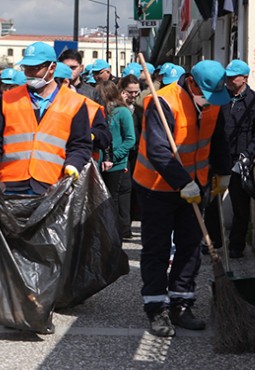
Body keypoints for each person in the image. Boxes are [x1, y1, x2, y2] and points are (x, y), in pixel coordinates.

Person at [133, 60, 231, 337]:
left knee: (190, 247)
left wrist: (223, 173)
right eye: (206, 95)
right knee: (158, 248)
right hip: (155, 187)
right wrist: (182, 182)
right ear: (192, 83)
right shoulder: (162, 103)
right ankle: (156, 308)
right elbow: (158, 150)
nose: (209, 102)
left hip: (195, 185)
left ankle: (181, 304)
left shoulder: (213, 103)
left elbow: (219, 140)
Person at [0, 41, 92, 194]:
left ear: (52, 68)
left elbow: (81, 144)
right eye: (26, 68)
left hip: (53, 184)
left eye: (35, 68)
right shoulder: (8, 99)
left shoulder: (75, 103)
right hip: (11, 184)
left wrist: (73, 164)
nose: (29, 73)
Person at [204, 59, 255, 258]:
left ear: (245, 78)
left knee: (240, 204)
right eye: (228, 77)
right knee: (212, 201)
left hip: (239, 160)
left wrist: (248, 155)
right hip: (218, 160)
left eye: (234, 77)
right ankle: (214, 240)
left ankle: (236, 245)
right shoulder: (220, 99)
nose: (229, 80)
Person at [95, 81, 135, 240]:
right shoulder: (101, 112)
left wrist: (114, 157)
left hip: (115, 165)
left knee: (114, 199)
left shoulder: (122, 113)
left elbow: (130, 139)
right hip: (100, 163)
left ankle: (117, 232)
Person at [119, 74, 144, 230]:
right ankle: (124, 223)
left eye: (136, 92)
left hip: (137, 153)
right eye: (130, 92)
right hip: (122, 154)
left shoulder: (140, 110)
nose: (133, 95)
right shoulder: (117, 109)